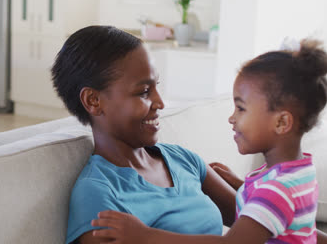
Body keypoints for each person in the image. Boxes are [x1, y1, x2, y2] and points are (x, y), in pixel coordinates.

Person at [92, 39, 327, 243]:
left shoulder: (275, 191)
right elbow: (295, 225)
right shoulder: (298, 172)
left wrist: (146, 237)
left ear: (281, 123)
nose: (232, 118)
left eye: (241, 109)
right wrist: (242, 186)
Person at [51, 25, 236, 244]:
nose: (160, 102)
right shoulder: (97, 194)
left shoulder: (183, 160)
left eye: (156, 86)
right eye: (144, 92)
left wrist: (250, 184)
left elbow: (262, 221)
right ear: (93, 101)